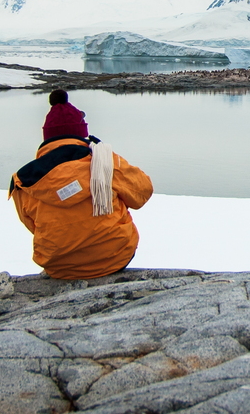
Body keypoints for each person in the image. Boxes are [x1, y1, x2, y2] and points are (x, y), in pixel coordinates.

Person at [9, 89, 153, 279]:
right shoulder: (103, 161)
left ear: (47, 137)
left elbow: (32, 224)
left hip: (59, 267)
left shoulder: (24, 180)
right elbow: (142, 192)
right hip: (115, 257)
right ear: (82, 133)